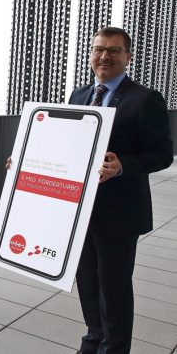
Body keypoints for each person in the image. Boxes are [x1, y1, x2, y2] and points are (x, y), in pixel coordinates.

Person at [68, 27, 174, 354]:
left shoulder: (145, 99)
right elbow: (67, 146)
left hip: (119, 214)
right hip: (81, 210)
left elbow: (162, 153)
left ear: (128, 57)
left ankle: (113, 349)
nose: (105, 56)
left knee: (113, 291)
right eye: (99, 49)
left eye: (114, 50)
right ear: (90, 55)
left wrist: (123, 165)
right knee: (87, 285)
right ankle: (93, 339)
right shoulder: (79, 95)